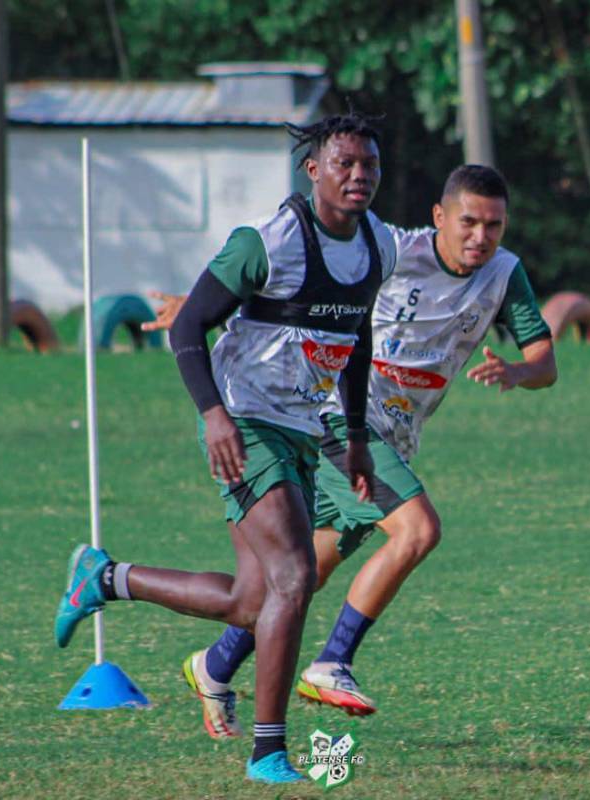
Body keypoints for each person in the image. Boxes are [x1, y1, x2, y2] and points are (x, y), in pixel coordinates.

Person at [146, 164, 557, 737]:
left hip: (397, 436)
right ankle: (332, 662)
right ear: (439, 217)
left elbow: (547, 363)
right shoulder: (391, 250)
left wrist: (519, 370)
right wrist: (196, 302)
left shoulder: (504, 275)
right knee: (417, 530)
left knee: (303, 569)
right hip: (340, 420)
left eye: (494, 225)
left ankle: (215, 665)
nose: (480, 237)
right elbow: (298, 278)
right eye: (469, 222)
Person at [53, 113, 397, 784]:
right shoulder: (269, 243)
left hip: (302, 429)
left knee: (250, 602)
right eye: (346, 163)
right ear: (314, 170)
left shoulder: (377, 245)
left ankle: (104, 577)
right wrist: (213, 415)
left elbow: (357, 343)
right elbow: (188, 328)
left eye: (371, 166)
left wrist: (355, 438)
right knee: (295, 577)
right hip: (246, 422)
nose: (360, 176)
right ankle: (268, 752)